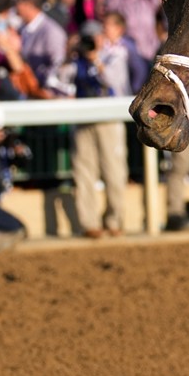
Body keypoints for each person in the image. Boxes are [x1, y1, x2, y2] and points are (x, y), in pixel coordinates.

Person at [59, 17, 131, 239]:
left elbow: (114, 82)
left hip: (109, 118)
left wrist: (96, 60)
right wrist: (68, 53)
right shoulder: (76, 60)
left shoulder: (115, 54)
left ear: (101, 37)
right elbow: (60, 80)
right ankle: (89, 223)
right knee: (84, 173)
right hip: (83, 119)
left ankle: (115, 220)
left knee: (114, 171)